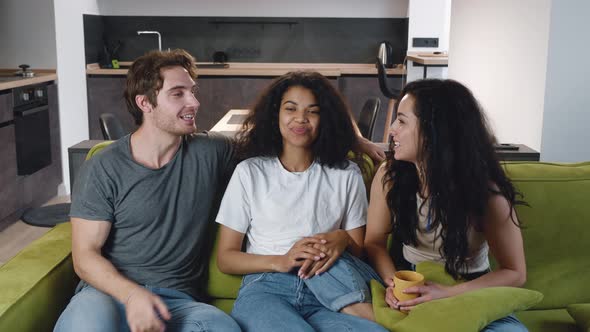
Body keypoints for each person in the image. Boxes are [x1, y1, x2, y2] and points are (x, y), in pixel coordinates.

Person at [54, 49, 241, 332]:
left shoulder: (213, 152)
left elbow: (276, 151)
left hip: (178, 303)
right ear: (145, 103)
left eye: (193, 91)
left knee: (221, 327)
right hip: (106, 296)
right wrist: (132, 295)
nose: (194, 102)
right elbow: (85, 256)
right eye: (178, 93)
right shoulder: (103, 167)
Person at [215, 71, 387, 332]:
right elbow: (226, 258)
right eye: (290, 108)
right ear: (276, 115)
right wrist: (280, 261)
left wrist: (342, 238)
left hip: (331, 288)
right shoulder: (250, 172)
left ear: (324, 118)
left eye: (312, 111)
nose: (300, 119)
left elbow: (358, 251)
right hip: (267, 288)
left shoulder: (346, 174)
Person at [364, 79, 529, 331]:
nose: (392, 130)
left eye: (402, 121)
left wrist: (449, 293)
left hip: (471, 288)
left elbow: (515, 272)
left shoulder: (486, 194)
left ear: (433, 131)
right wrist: (393, 284)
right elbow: (374, 242)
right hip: (413, 283)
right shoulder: (390, 177)